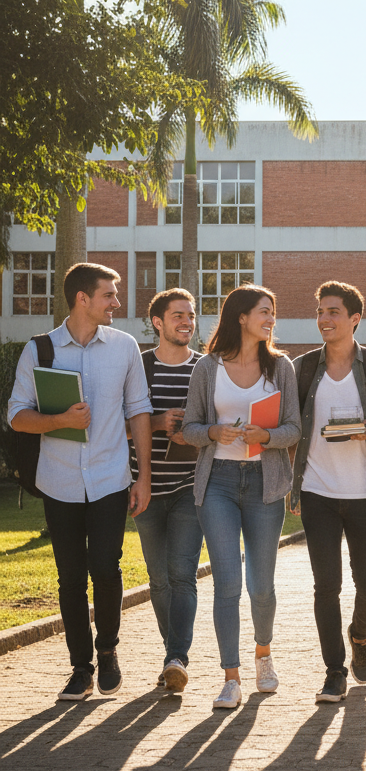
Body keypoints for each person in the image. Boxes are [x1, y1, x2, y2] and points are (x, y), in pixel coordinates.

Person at [8, 262, 152, 701]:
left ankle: (107, 650)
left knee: (106, 569)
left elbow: (139, 412)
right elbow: (16, 415)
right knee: (70, 577)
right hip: (60, 481)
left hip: (110, 478)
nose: (117, 302)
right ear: (82, 299)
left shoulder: (124, 346)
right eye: (109, 294)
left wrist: (142, 475)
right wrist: (58, 420)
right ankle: (80, 667)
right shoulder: (40, 350)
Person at [181, 285, 300, 710]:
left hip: (264, 483)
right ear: (241, 317)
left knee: (261, 585)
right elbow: (189, 428)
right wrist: (214, 432)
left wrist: (265, 436)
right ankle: (230, 676)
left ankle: (263, 654)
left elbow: (293, 429)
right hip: (219, 483)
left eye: (273, 311)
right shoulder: (207, 368)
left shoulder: (280, 366)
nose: (270, 319)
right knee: (227, 583)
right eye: (263, 312)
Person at [290, 281, 366, 704]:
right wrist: (293, 487)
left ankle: (360, 634)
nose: (324, 319)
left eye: (333, 311)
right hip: (317, 490)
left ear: (355, 319)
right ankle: (334, 671)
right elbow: (291, 426)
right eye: (320, 311)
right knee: (325, 585)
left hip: (365, 491)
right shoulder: (302, 367)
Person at [128, 288, 204, 694]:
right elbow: (114, 424)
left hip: (192, 486)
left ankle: (177, 658)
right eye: (178, 316)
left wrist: (196, 435)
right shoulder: (138, 367)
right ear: (157, 322)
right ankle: (171, 651)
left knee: (183, 575)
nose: (187, 322)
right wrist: (156, 424)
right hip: (146, 486)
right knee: (158, 579)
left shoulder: (206, 368)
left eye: (190, 316)